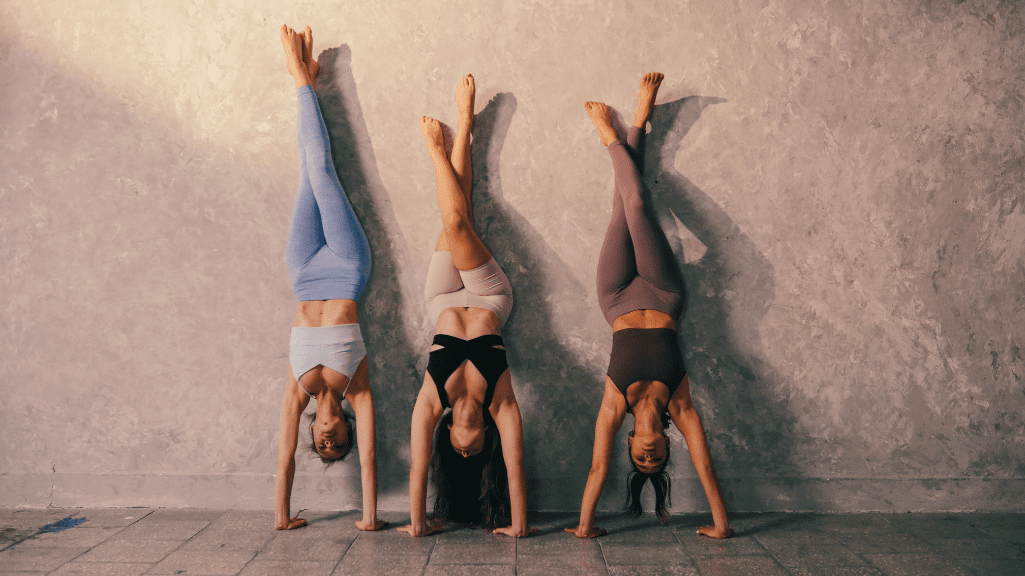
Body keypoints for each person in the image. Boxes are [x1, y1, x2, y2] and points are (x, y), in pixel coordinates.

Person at [566, 73, 732, 539]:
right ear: (662, 443)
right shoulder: (680, 405)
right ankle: (620, 132)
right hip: (663, 294)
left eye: (640, 458)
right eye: (655, 457)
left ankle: (637, 125)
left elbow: (598, 469)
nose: (647, 455)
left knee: (622, 205)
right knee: (636, 203)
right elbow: (704, 464)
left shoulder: (612, 408)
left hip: (615, 297)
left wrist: (584, 527)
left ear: (632, 446)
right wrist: (721, 526)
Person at [397, 74, 534, 538]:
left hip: (442, 297)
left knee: (461, 215)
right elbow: (514, 468)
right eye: (475, 451)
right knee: (458, 223)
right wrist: (519, 526)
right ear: (484, 440)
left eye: (461, 452)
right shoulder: (502, 404)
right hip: (491, 295)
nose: (467, 448)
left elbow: (418, 468)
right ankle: (447, 136)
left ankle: (457, 128)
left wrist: (416, 525)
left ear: (451, 441)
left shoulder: (430, 403)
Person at [274, 24, 385, 532]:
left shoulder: (297, 395)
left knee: (305, 169)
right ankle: (299, 76)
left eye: (323, 445)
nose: (327, 441)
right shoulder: (357, 388)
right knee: (321, 171)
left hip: (302, 275)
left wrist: (281, 516)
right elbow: (369, 461)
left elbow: (283, 460)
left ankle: (309, 79)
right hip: (345, 267)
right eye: (336, 441)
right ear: (344, 427)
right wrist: (368, 518)